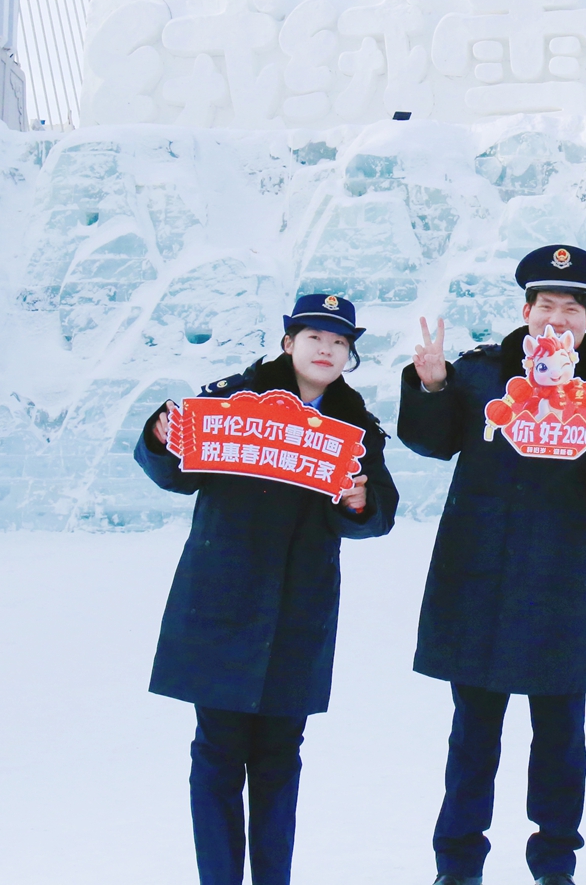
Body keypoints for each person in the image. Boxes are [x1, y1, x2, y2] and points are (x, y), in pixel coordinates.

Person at [400, 245, 586, 885]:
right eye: (546, 305)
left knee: (560, 732)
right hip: (478, 572)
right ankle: (458, 864)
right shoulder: (480, 374)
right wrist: (432, 385)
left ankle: (556, 862)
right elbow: (429, 441)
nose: (556, 319)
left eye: (571, 309)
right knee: (472, 731)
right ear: (525, 310)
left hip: (560, 579)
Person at [135, 292, 399, 885]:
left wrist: (360, 502)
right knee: (218, 755)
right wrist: (158, 436)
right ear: (288, 343)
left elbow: (378, 513)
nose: (326, 349)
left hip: (298, 609)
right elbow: (175, 472)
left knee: (280, 760)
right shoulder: (231, 402)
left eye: (339, 342)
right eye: (314, 337)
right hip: (222, 599)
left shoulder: (355, 426)